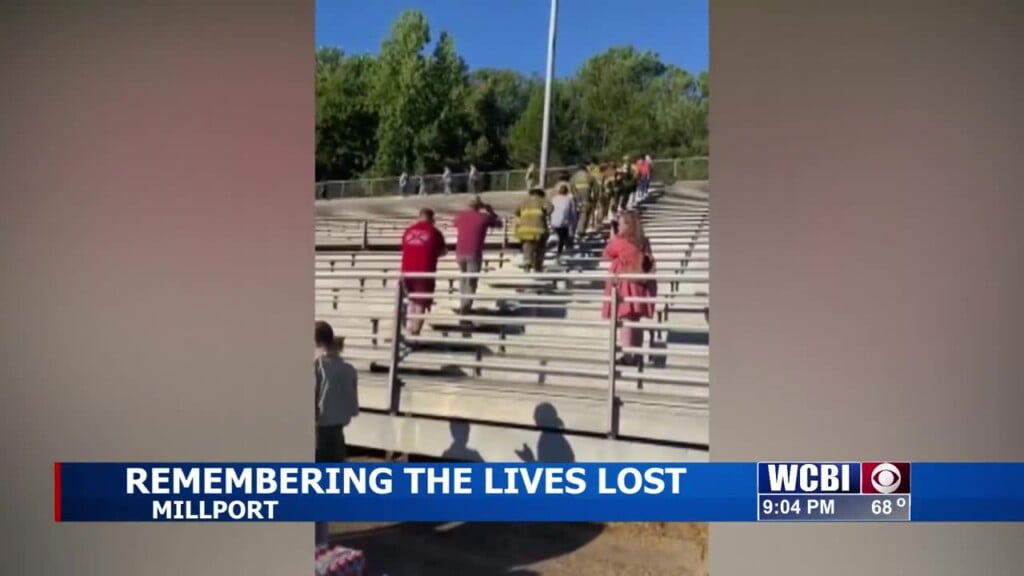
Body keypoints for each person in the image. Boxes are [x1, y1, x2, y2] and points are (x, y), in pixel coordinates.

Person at [314, 320, 359, 548]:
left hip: (317, 437)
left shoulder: (316, 368)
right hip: (337, 437)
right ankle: (321, 543)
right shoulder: (348, 370)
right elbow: (353, 409)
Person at [601, 211, 656, 367]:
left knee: (625, 319)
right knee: (635, 320)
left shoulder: (621, 241)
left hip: (625, 284)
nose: (618, 225)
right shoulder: (643, 241)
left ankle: (628, 355)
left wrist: (613, 235)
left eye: (620, 223)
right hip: (640, 284)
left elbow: (606, 253)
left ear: (627, 225)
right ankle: (636, 353)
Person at [400, 208, 447, 336]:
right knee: (421, 303)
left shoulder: (408, 231)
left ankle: (409, 328)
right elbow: (443, 251)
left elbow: (404, 247)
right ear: (432, 219)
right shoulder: (435, 232)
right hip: (424, 271)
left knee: (411, 300)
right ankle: (415, 332)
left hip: (406, 271)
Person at [452, 196, 500, 314]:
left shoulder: (460, 216)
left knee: (463, 278)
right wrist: (490, 211)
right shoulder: (484, 217)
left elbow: (454, 223)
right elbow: (499, 224)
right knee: (471, 281)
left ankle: (463, 303)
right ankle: (466, 307)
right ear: (480, 206)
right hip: (474, 252)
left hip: (460, 252)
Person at [514, 188, 553, 272]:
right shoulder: (542, 200)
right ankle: (538, 266)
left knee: (527, 247)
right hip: (538, 229)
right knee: (540, 247)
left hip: (524, 230)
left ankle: (527, 263)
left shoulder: (523, 201)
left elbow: (516, 211)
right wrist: (545, 214)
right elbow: (550, 208)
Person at [549, 176, 578, 258]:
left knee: (560, 235)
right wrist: (573, 223)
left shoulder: (554, 198)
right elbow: (573, 213)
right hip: (563, 223)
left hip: (553, 222)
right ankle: (560, 251)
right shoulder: (569, 199)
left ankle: (560, 247)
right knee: (564, 236)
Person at [573, 165, 596, 238]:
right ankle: (581, 231)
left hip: (575, 199)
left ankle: (574, 230)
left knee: (575, 215)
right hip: (586, 199)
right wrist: (595, 198)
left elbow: (570, 188)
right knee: (584, 215)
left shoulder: (573, 177)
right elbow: (596, 189)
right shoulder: (590, 177)